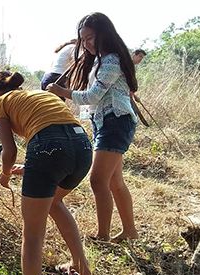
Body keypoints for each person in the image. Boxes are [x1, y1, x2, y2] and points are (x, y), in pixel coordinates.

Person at [0, 70, 93, 275]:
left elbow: (9, 150)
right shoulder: (38, 95)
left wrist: (3, 175)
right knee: (55, 203)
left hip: (49, 149)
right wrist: (34, 167)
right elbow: (59, 133)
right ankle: (82, 269)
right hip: (82, 148)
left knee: (32, 234)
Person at [47, 12, 139, 242]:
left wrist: (62, 92)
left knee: (98, 180)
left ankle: (102, 235)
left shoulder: (111, 60)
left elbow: (93, 96)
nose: (86, 44)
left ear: (104, 35)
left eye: (90, 38)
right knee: (115, 182)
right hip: (107, 122)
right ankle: (130, 232)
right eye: (83, 39)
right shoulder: (101, 59)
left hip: (115, 122)